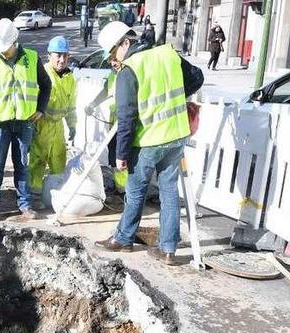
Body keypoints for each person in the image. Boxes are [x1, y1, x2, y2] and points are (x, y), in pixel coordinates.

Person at [94, 21, 204, 265]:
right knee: (169, 193)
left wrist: (121, 154)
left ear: (125, 43)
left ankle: (123, 239)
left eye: (114, 53)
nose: (114, 59)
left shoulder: (129, 70)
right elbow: (197, 77)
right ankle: (168, 250)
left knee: (135, 193)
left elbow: (126, 117)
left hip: (148, 141)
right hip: (175, 136)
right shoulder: (168, 54)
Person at [0, 18, 52, 221]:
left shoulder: (32, 59)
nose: (2, 51)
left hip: (25, 122)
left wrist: (41, 109)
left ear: (14, 41)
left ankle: (25, 205)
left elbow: (46, 85)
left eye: (6, 48)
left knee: (22, 165)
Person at [28, 35, 76, 206]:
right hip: (41, 125)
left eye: (65, 55)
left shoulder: (70, 78)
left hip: (58, 128)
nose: (62, 59)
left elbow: (72, 105)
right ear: (49, 55)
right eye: (58, 55)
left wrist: (72, 125)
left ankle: (55, 197)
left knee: (58, 162)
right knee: (37, 161)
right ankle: (34, 197)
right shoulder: (43, 73)